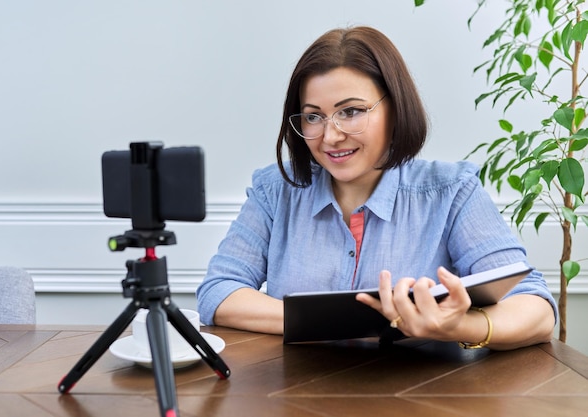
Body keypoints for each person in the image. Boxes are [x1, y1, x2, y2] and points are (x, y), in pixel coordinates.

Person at [196, 26, 557, 350]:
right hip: (292, 394)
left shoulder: (452, 191)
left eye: (350, 111)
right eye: (313, 116)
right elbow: (219, 292)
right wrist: (358, 320)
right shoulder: (275, 189)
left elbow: (536, 311)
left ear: (395, 110)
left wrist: (457, 326)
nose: (331, 136)